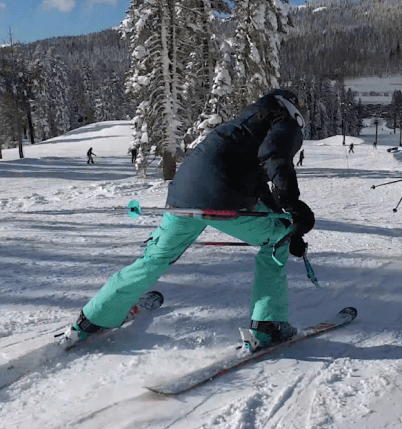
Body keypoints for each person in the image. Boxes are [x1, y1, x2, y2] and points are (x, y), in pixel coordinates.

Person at [58, 90, 314, 351]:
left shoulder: (242, 126)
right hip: (222, 199)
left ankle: (93, 319)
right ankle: (268, 326)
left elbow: (258, 185)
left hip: (181, 196)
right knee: (276, 243)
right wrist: (293, 210)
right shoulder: (284, 120)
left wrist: (285, 221)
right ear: (291, 107)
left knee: (155, 258)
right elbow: (274, 156)